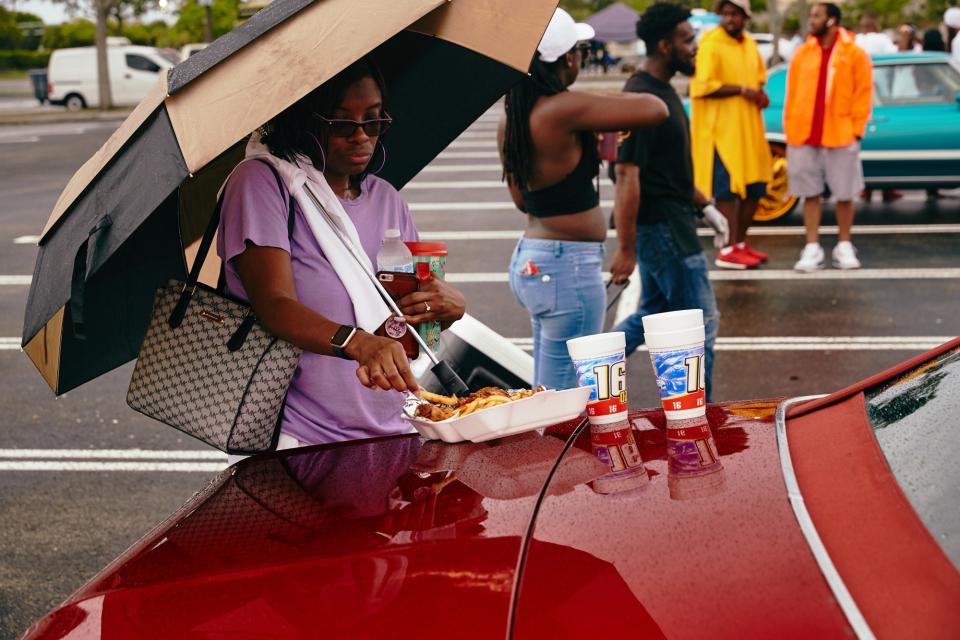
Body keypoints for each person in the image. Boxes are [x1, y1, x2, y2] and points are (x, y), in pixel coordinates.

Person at [217, 58, 466, 447]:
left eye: (373, 120)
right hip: (300, 438)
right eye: (342, 124)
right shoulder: (261, 183)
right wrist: (358, 342)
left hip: (393, 429)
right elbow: (274, 304)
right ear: (303, 119)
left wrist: (445, 311)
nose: (362, 136)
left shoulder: (388, 200)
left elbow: (409, 331)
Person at [498, 8, 668, 390]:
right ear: (568, 58)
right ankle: (551, 452)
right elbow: (655, 108)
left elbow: (523, 200)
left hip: (535, 259)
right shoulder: (565, 109)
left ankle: (541, 449)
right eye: (582, 52)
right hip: (566, 269)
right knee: (567, 396)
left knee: (548, 384)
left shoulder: (513, 116)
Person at [610, 2, 728, 400]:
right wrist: (626, 249)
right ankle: (696, 414)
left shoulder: (662, 91)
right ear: (664, 45)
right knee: (699, 325)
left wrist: (705, 204)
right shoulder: (640, 97)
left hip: (675, 218)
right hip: (664, 229)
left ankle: (593, 373)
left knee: (654, 315)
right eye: (687, 39)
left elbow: (668, 171)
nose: (694, 46)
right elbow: (626, 173)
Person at [785, 3, 873, 272]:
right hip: (804, 134)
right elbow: (793, 92)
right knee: (809, 193)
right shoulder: (803, 53)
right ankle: (812, 247)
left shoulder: (854, 53)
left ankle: (844, 245)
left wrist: (856, 130)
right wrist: (790, 128)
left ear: (832, 20)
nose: (811, 21)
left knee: (845, 193)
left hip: (841, 133)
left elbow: (863, 93)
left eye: (816, 16)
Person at [689, 0, 772, 270]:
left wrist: (759, 94)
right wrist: (742, 90)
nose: (729, 19)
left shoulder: (748, 44)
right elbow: (702, 86)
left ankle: (739, 243)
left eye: (734, 14)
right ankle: (725, 249)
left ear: (745, 17)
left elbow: (758, 79)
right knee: (728, 193)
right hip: (721, 133)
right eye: (724, 14)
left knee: (755, 188)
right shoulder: (711, 43)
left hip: (748, 129)